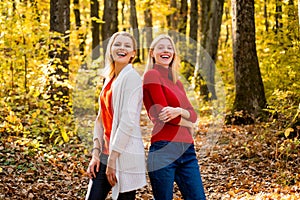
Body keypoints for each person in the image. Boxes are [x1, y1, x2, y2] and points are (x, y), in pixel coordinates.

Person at [143, 34, 206, 200]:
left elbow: (193, 115)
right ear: (152, 52)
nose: (166, 51)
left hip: (187, 151)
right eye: (161, 47)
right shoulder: (151, 75)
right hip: (164, 150)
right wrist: (188, 122)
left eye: (169, 48)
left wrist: (179, 111)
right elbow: (164, 116)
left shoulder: (177, 82)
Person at [85, 31, 146, 200]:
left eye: (127, 45)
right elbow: (100, 119)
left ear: (133, 53)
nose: (122, 48)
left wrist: (112, 160)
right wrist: (96, 153)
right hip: (105, 154)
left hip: (124, 156)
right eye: (117, 44)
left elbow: (127, 123)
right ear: (110, 49)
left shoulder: (132, 78)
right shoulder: (109, 78)